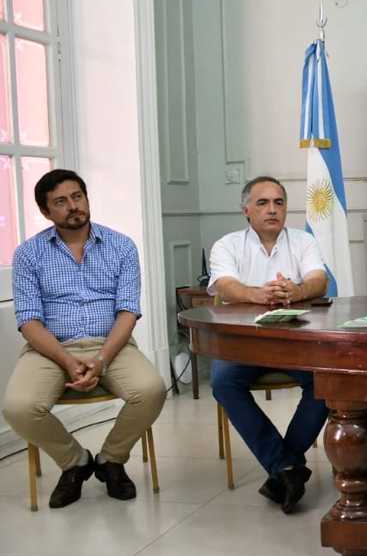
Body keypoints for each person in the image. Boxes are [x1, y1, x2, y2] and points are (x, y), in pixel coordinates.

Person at [3, 169, 167, 508]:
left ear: (87, 198)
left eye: (77, 197)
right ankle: (75, 462)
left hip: (111, 344)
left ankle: (111, 460)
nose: (73, 206)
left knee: (151, 390)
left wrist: (102, 359)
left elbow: (127, 311)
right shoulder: (29, 254)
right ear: (46, 212)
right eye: (60, 202)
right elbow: (29, 321)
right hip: (49, 349)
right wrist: (66, 361)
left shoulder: (121, 246)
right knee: (18, 408)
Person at [207, 176, 329, 513]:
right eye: (262, 203)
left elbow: (318, 280)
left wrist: (296, 291)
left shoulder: (303, 241)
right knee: (223, 381)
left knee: (326, 381)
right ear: (246, 210)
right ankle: (286, 464)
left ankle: (284, 468)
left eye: (278, 202)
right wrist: (257, 295)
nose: (272, 209)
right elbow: (225, 286)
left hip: (296, 339)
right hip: (244, 342)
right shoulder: (227, 245)